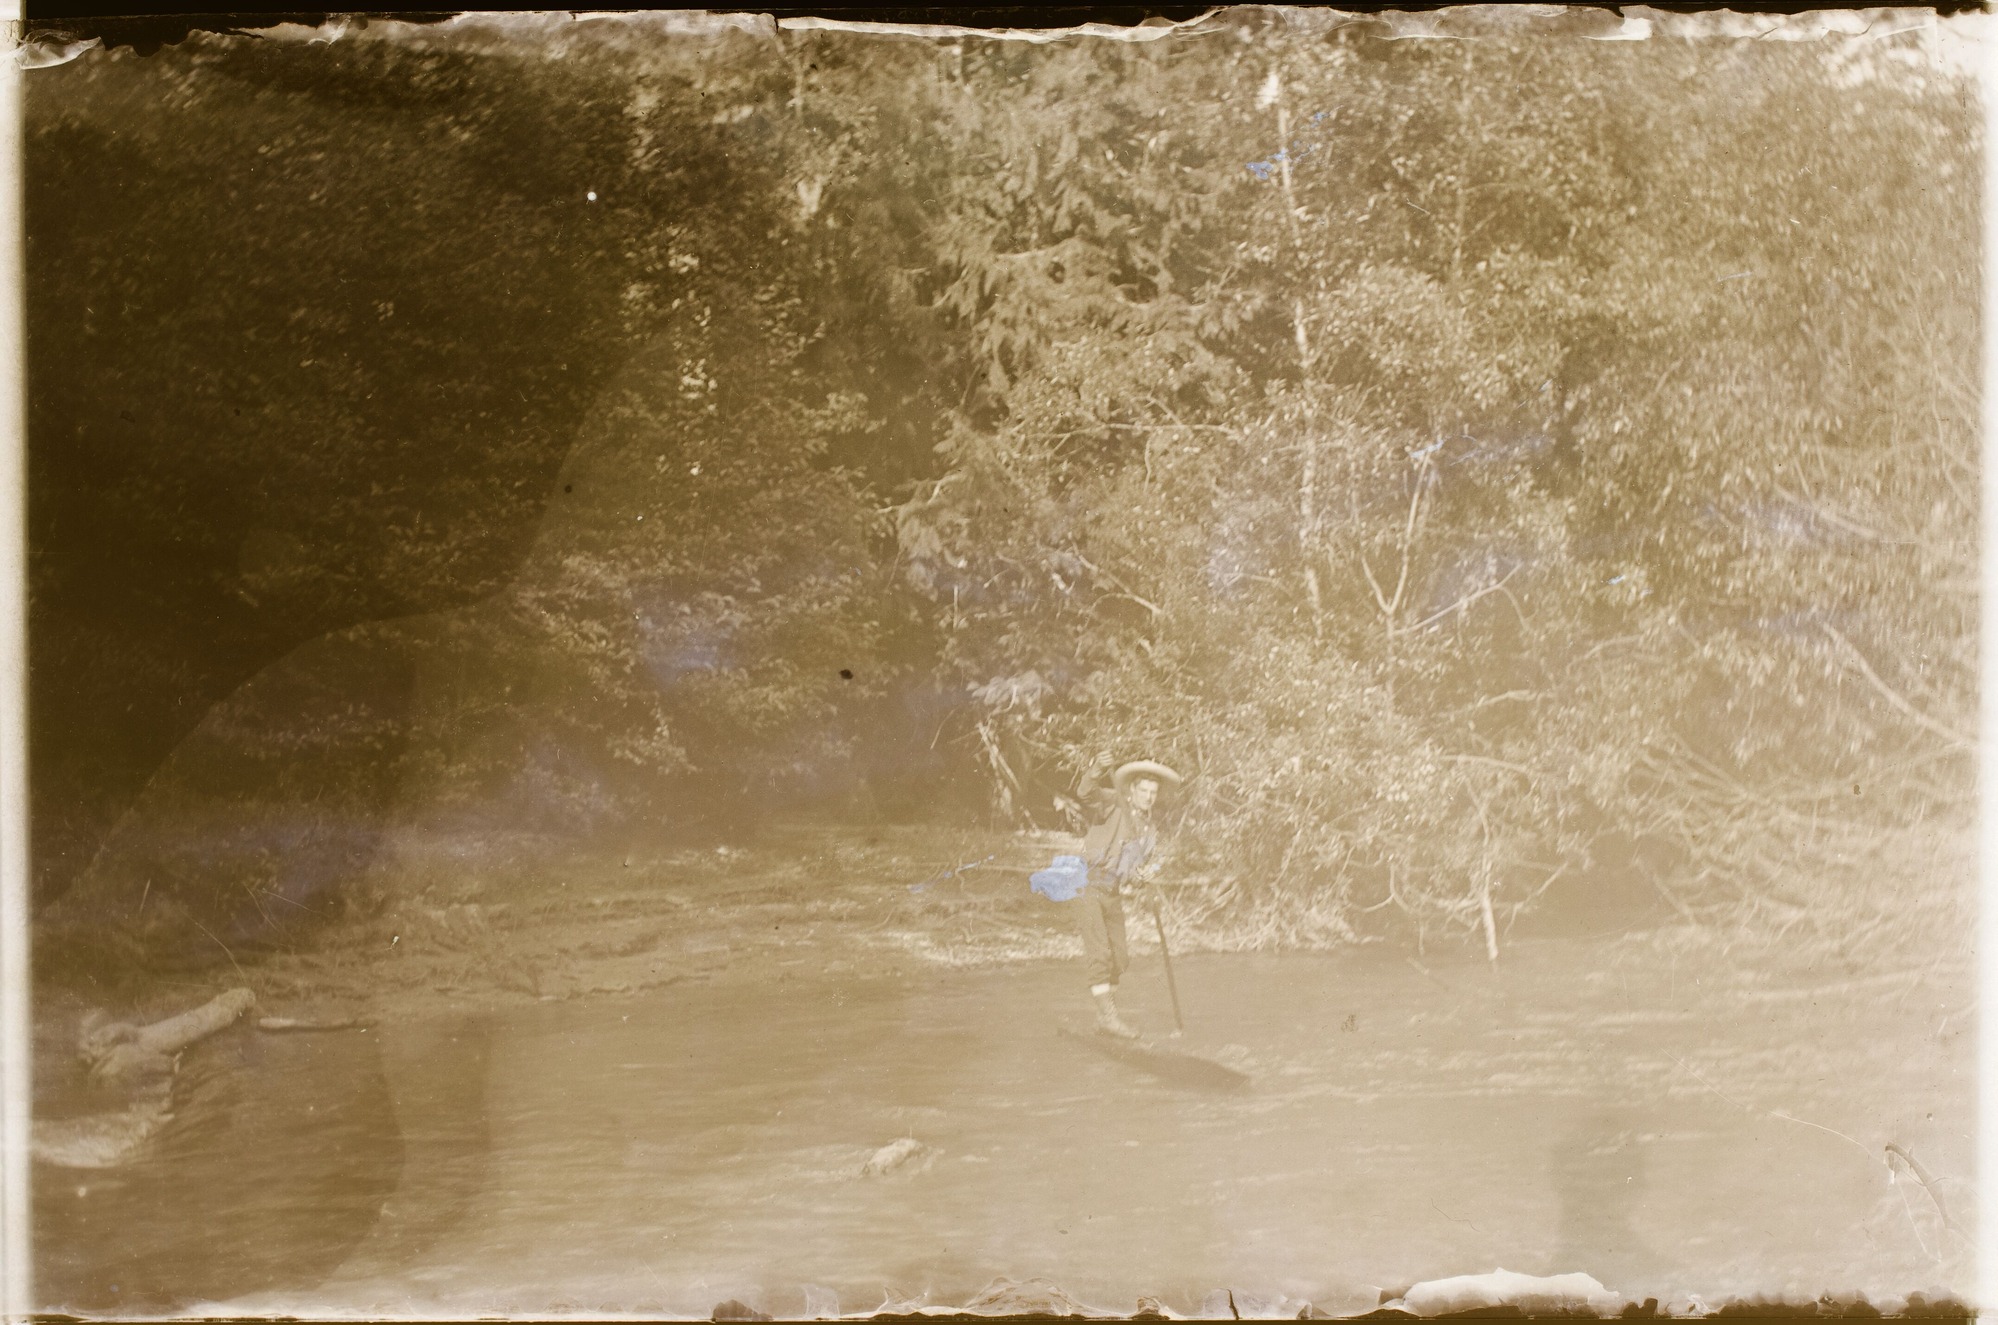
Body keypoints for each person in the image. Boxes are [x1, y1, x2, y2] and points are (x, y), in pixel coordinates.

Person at [1073, 752, 1182, 1038]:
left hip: (1111, 891)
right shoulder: (1113, 803)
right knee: (1100, 955)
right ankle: (1110, 1018)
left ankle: (1104, 1019)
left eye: (1153, 792)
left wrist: (1143, 875)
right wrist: (1097, 767)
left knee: (1119, 958)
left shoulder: (1149, 830)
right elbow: (1085, 793)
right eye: (1143, 790)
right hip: (1087, 882)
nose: (1148, 796)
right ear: (1132, 791)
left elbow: (1134, 868)